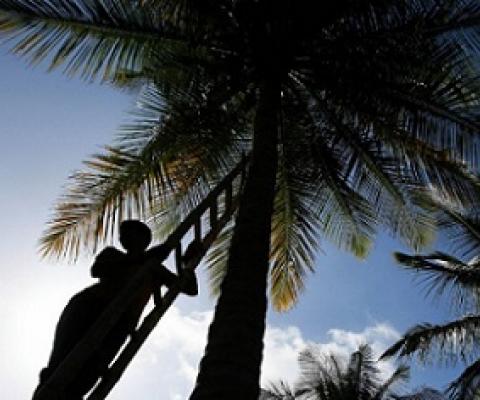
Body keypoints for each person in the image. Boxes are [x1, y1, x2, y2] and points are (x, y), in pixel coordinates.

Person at [33, 220, 198, 399]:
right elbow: (98, 270)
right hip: (87, 308)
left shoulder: (154, 267)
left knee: (91, 373)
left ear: (143, 238)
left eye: (128, 233)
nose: (122, 237)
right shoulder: (113, 254)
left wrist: (188, 262)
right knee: (60, 363)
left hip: (122, 323)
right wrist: (145, 257)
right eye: (122, 234)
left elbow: (189, 289)